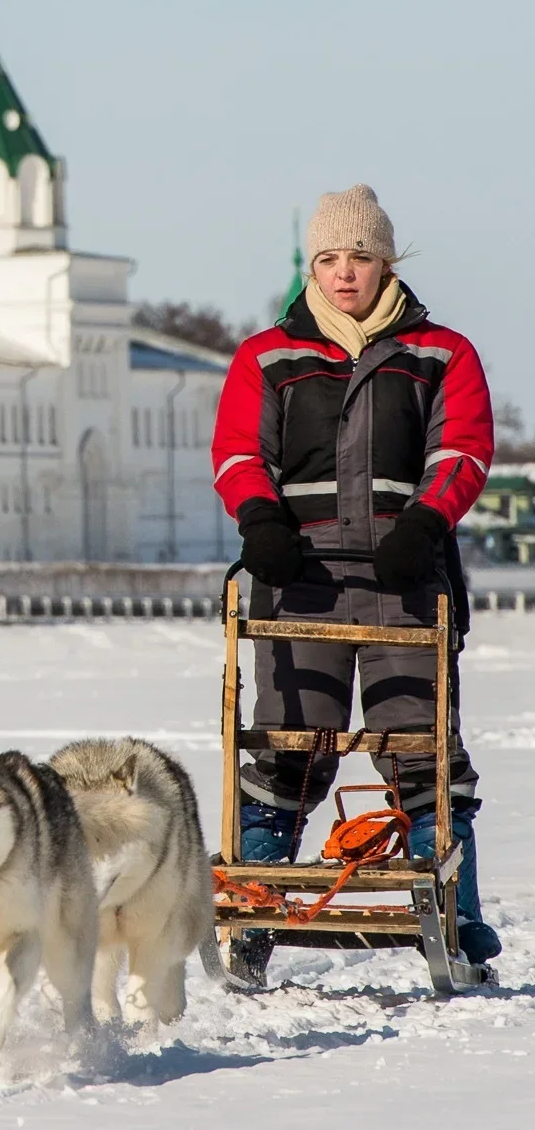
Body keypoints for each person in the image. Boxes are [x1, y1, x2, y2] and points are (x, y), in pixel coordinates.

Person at [210, 184, 499, 980]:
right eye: (330, 258)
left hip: (405, 578)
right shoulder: (267, 356)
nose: (345, 273)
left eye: (361, 257)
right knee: (289, 748)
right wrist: (260, 522)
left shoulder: (441, 354)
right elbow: (239, 452)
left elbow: (463, 450)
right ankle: (259, 910)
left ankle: (457, 915)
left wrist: (426, 523)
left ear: (386, 263)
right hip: (298, 581)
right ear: (312, 266)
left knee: (422, 753)